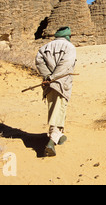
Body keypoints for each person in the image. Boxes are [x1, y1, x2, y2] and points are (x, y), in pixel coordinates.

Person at [35, 26, 76, 157]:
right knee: (59, 109)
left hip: (48, 84)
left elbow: (39, 62)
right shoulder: (69, 47)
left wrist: (47, 76)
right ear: (67, 36)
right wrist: (53, 78)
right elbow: (65, 64)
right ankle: (52, 141)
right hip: (61, 84)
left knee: (54, 108)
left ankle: (60, 135)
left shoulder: (44, 47)